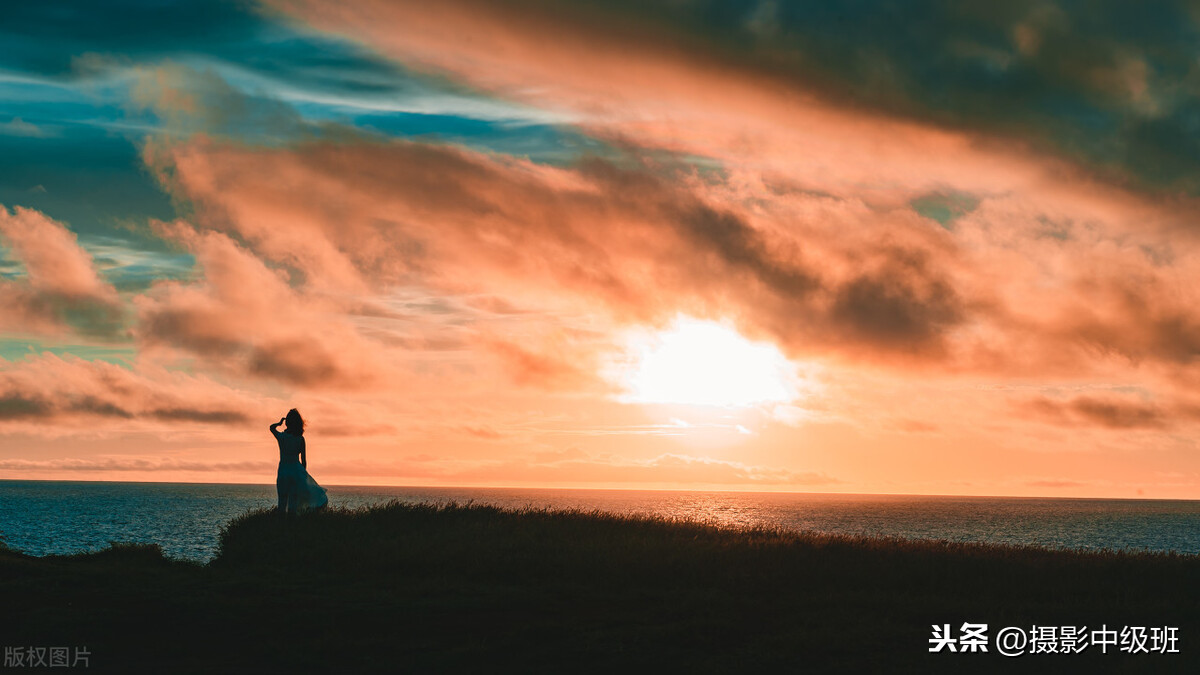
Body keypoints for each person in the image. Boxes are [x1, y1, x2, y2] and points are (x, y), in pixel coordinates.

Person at [270, 409, 328, 514]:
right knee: (293, 503)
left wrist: (279, 423)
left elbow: (271, 428)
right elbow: (304, 461)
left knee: (282, 502)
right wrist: (303, 476)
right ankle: (293, 526)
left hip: (283, 471)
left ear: (287, 422)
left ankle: (280, 526)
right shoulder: (300, 439)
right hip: (296, 472)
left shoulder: (282, 437)